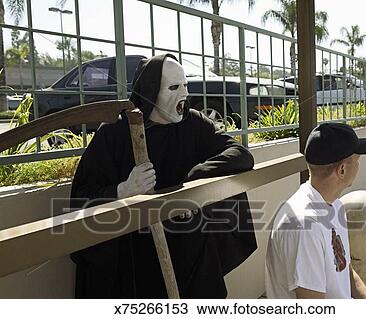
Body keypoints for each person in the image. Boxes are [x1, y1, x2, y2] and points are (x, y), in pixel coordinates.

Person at [70, 54, 257, 298]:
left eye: (185, 86)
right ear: (150, 92)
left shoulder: (193, 123)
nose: (184, 94)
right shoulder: (114, 134)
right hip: (136, 260)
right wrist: (124, 190)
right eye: (173, 87)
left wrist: (194, 180)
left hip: (190, 253)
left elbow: (240, 154)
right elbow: (81, 199)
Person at [265, 123, 366, 299]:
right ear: (342, 170)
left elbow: (344, 270)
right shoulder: (305, 226)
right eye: (357, 161)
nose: (359, 166)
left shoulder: (334, 205)